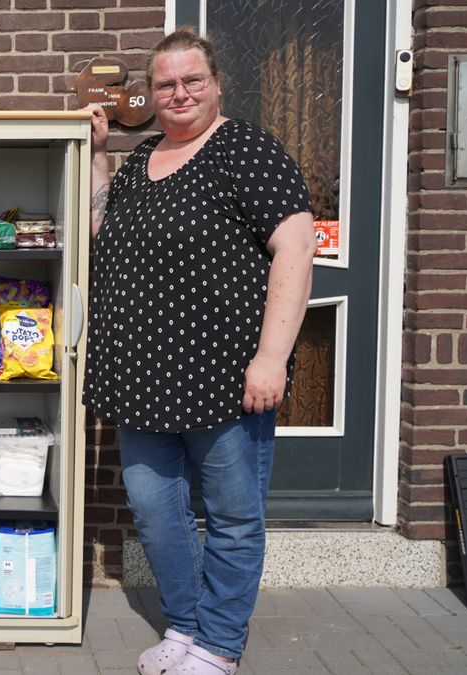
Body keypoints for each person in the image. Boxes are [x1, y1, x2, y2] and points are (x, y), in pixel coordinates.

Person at [85, 28, 316, 675]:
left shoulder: (247, 150)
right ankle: (184, 626)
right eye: (165, 83)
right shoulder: (146, 157)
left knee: (232, 516)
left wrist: (272, 357)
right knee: (156, 511)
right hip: (142, 378)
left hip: (224, 376)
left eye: (192, 80)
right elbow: (105, 230)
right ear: (151, 95)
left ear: (216, 84)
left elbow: (296, 250)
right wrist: (101, 156)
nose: (179, 92)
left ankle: (218, 644)